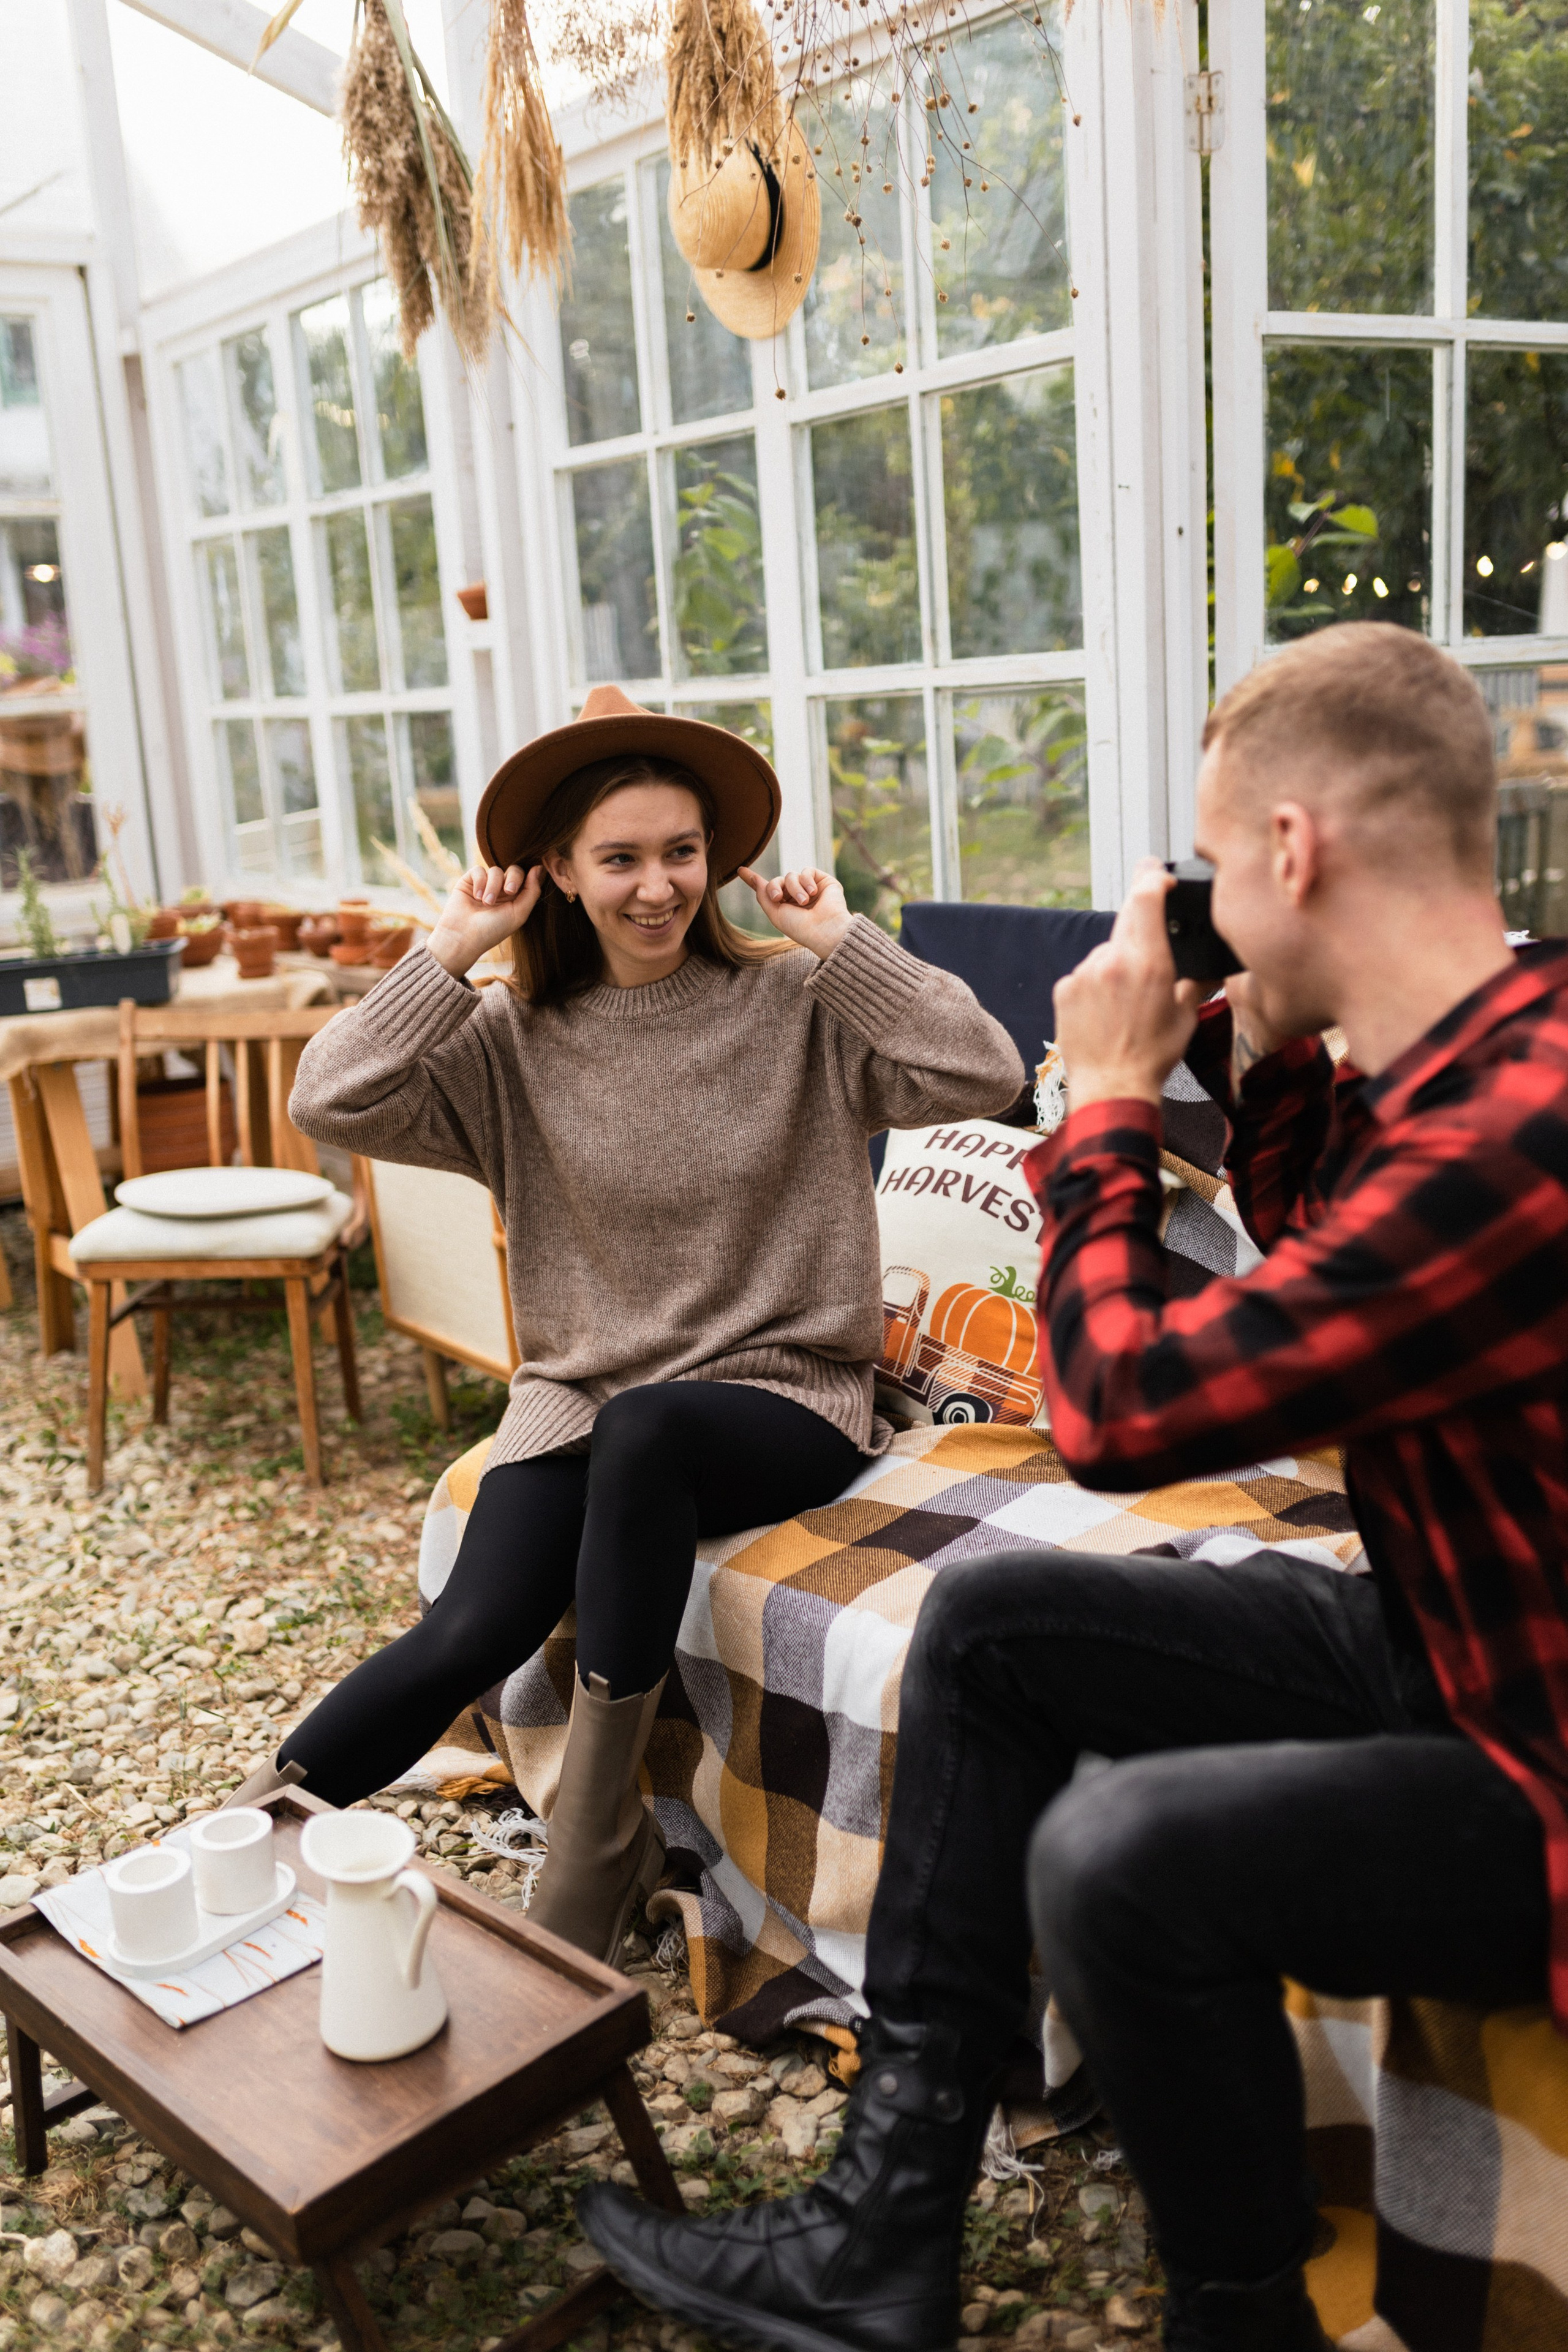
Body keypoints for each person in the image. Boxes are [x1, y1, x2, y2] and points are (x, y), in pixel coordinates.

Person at [578, 624, 1566, 2352]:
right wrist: (1260, 1052)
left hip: (1541, 1760)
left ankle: (1239, 2321)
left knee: (1122, 1858)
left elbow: (1120, 1409)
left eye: (1210, 852)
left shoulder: (1523, 1135)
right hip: (1461, 1652)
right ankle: (885, 2236)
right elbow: (1329, 1249)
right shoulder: (1490, 1060)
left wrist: (1104, 1105)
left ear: (1289, 851)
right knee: (999, 1616)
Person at [227, 684, 1023, 1964]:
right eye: (620, 859)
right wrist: (447, 951)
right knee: (470, 1631)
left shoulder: (795, 1008)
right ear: (556, 870)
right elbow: (331, 1100)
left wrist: (842, 945)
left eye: (680, 854)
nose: (657, 886)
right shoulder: (508, 1039)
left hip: (784, 1396)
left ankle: (588, 1860)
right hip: (582, 1399)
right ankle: (233, 1860)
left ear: (716, 862)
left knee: (650, 1429)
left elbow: (985, 1074)